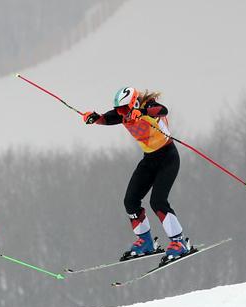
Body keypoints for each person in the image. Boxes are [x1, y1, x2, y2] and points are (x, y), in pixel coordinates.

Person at [82, 86, 191, 263]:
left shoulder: (149, 106)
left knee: (158, 201)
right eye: (120, 110)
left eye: (126, 109)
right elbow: (107, 118)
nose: (123, 113)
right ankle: (146, 242)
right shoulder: (122, 113)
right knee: (130, 201)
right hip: (149, 161)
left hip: (168, 158)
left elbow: (162, 110)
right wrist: (94, 118)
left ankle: (179, 242)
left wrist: (141, 112)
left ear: (134, 103)